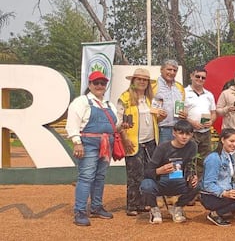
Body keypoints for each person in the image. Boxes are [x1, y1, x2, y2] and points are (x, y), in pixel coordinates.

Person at [66, 71, 118, 226]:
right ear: (89, 85)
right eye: (96, 83)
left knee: (100, 177)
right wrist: (77, 142)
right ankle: (80, 211)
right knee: (86, 177)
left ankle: (96, 206)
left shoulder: (110, 104)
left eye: (102, 83)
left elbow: (114, 125)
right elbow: (72, 123)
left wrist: (123, 126)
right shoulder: (81, 102)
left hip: (106, 143)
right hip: (88, 143)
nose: (100, 86)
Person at [117, 68, 163, 216]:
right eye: (139, 79)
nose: (142, 82)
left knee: (148, 174)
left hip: (150, 141)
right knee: (134, 175)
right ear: (133, 81)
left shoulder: (152, 99)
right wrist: (125, 138)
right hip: (133, 142)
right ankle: (132, 205)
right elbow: (118, 122)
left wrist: (162, 116)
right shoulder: (124, 98)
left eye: (145, 80)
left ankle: (143, 203)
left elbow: (156, 120)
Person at [140, 120, 199, 224]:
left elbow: (190, 166)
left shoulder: (192, 146)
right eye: (181, 133)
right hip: (161, 183)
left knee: (199, 184)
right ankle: (154, 210)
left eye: (188, 134)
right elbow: (147, 172)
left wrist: (192, 176)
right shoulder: (163, 147)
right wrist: (159, 171)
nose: (184, 137)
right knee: (146, 185)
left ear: (192, 135)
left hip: (179, 182)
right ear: (174, 133)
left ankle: (178, 207)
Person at [184, 66, 217, 178]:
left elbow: (214, 113)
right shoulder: (184, 92)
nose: (200, 79)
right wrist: (191, 122)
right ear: (191, 76)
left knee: (205, 160)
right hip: (190, 132)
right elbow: (178, 113)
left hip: (206, 132)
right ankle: (189, 186)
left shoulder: (209, 95)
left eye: (203, 77)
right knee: (190, 160)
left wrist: (211, 121)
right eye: (197, 76)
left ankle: (201, 186)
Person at [152, 59, 186, 144]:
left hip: (178, 128)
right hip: (162, 128)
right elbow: (149, 106)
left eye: (174, 70)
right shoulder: (153, 85)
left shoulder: (180, 87)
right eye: (169, 69)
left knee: (177, 156)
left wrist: (184, 114)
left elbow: (183, 105)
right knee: (163, 155)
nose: (172, 72)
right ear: (161, 69)